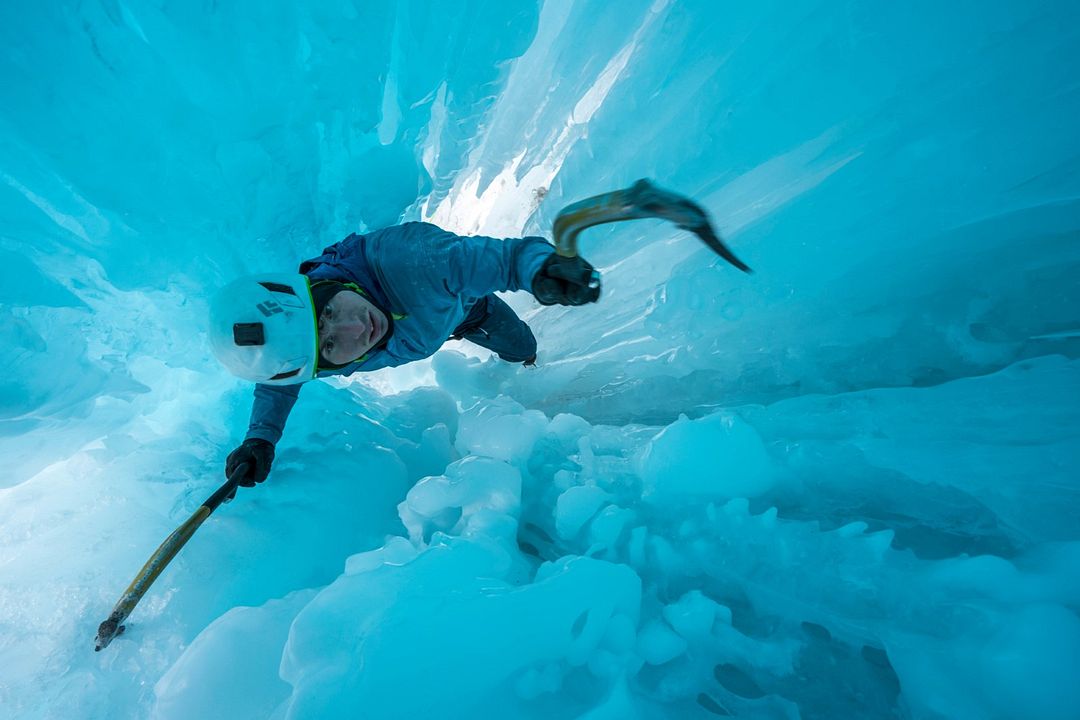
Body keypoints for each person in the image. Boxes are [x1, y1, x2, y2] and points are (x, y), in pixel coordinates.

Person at [209, 221, 600, 490]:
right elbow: (279, 385)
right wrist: (260, 439)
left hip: (469, 311)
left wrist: (537, 268)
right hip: (431, 325)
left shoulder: (408, 260)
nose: (356, 329)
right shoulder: (305, 351)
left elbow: (481, 259)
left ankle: (527, 364)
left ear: (313, 286)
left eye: (329, 311)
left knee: (522, 347)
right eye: (329, 344)